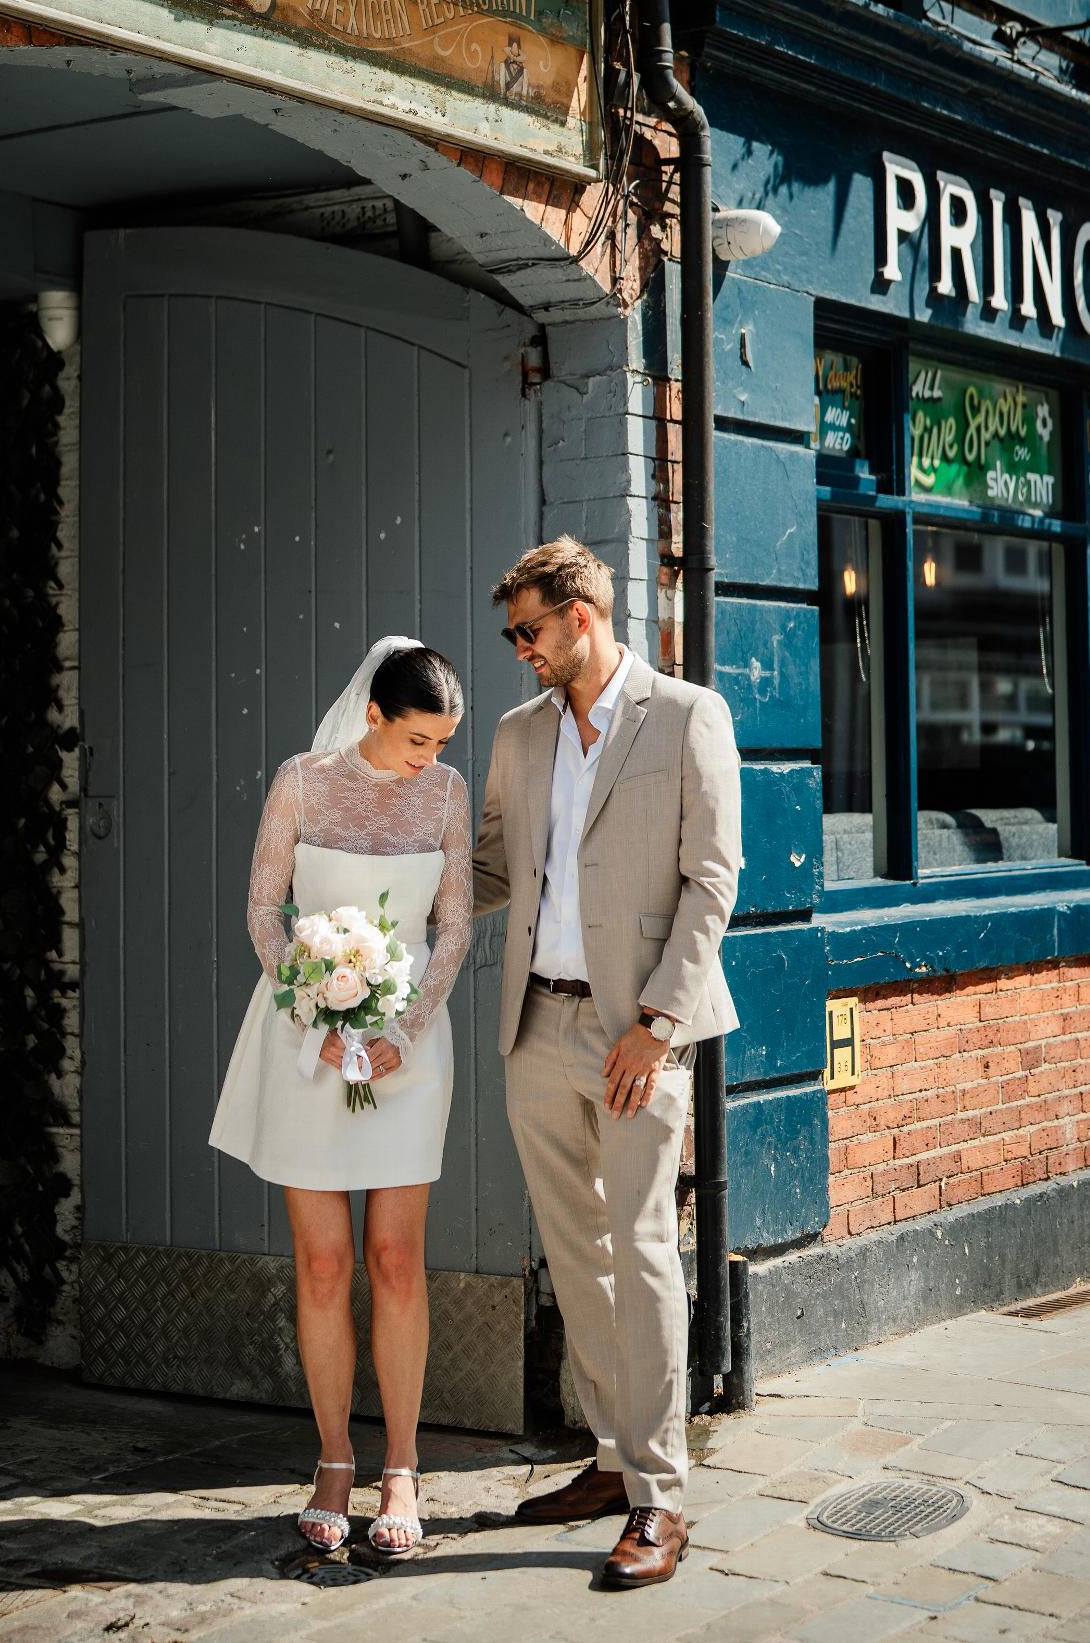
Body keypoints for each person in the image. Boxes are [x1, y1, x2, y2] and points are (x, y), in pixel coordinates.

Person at [472, 538, 741, 1590]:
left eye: (526, 631)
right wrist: (390, 878)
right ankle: (605, 1457)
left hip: (636, 1033)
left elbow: (711, 882)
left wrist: (657, 1023)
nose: (518, 652)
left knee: (640, 1252)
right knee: (572, 1252)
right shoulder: (513, 734)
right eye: (511, 634)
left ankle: (661, 1498)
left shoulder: (684, 716)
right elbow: (493, 866)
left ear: (579, 616)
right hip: (533, 1027)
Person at [210, 639, 472, 1558]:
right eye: (417, 738)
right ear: (373, 713)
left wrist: (402, 1031)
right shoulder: (302, 781)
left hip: (406, 1045)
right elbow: (262, 908)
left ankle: (400, 1463)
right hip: (308, 1043)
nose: (430, 757)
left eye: (443, 741)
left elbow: (453, 924)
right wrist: (307, 1007)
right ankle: (332, 1458)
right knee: (323, 1266)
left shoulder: (445, 795)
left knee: (395, 1256)